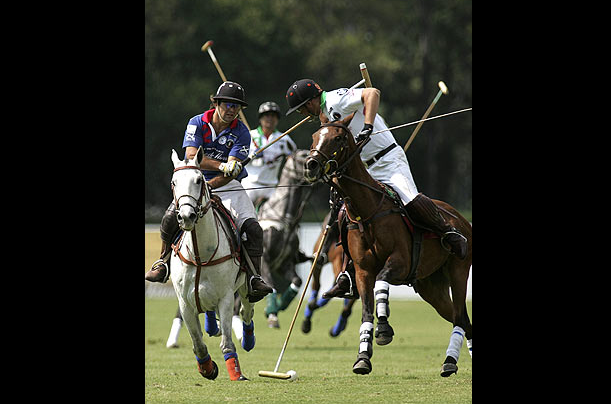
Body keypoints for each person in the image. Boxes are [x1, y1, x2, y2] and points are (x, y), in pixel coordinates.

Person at [284, 78, 467, 297]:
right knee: (344, 212)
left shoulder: (334, 100)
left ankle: (449, 232)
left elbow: (372, 93)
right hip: (366, 168)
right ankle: (348, 274)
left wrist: (368, 126)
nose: (303, 114)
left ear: (310, 101)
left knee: (409, 198)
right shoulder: (325, 115)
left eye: (302, 109)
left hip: (389, 160)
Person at [145, 81, 273, 303]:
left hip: (228, 186)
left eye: (236, 106)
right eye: (227, 104)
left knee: (253, 228)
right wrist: (221, 165)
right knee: (169, 218)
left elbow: (231, 171)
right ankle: (162, 262)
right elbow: (192, 155)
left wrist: (219, 177)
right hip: (195, 181)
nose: (231, 110)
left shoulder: (242, 132)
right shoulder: (197, 123)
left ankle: (254, 277)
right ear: (216, 103)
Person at [242, 101, 297, 208]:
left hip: (271, 187)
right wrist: (252, 155)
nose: (270, 119)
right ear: (260, 118)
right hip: (250, 185)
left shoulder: (284, 139)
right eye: (267, 115)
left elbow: (294, 157)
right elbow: (238, 158)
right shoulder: (249, 136)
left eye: (273, 116)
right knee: (241, 212)